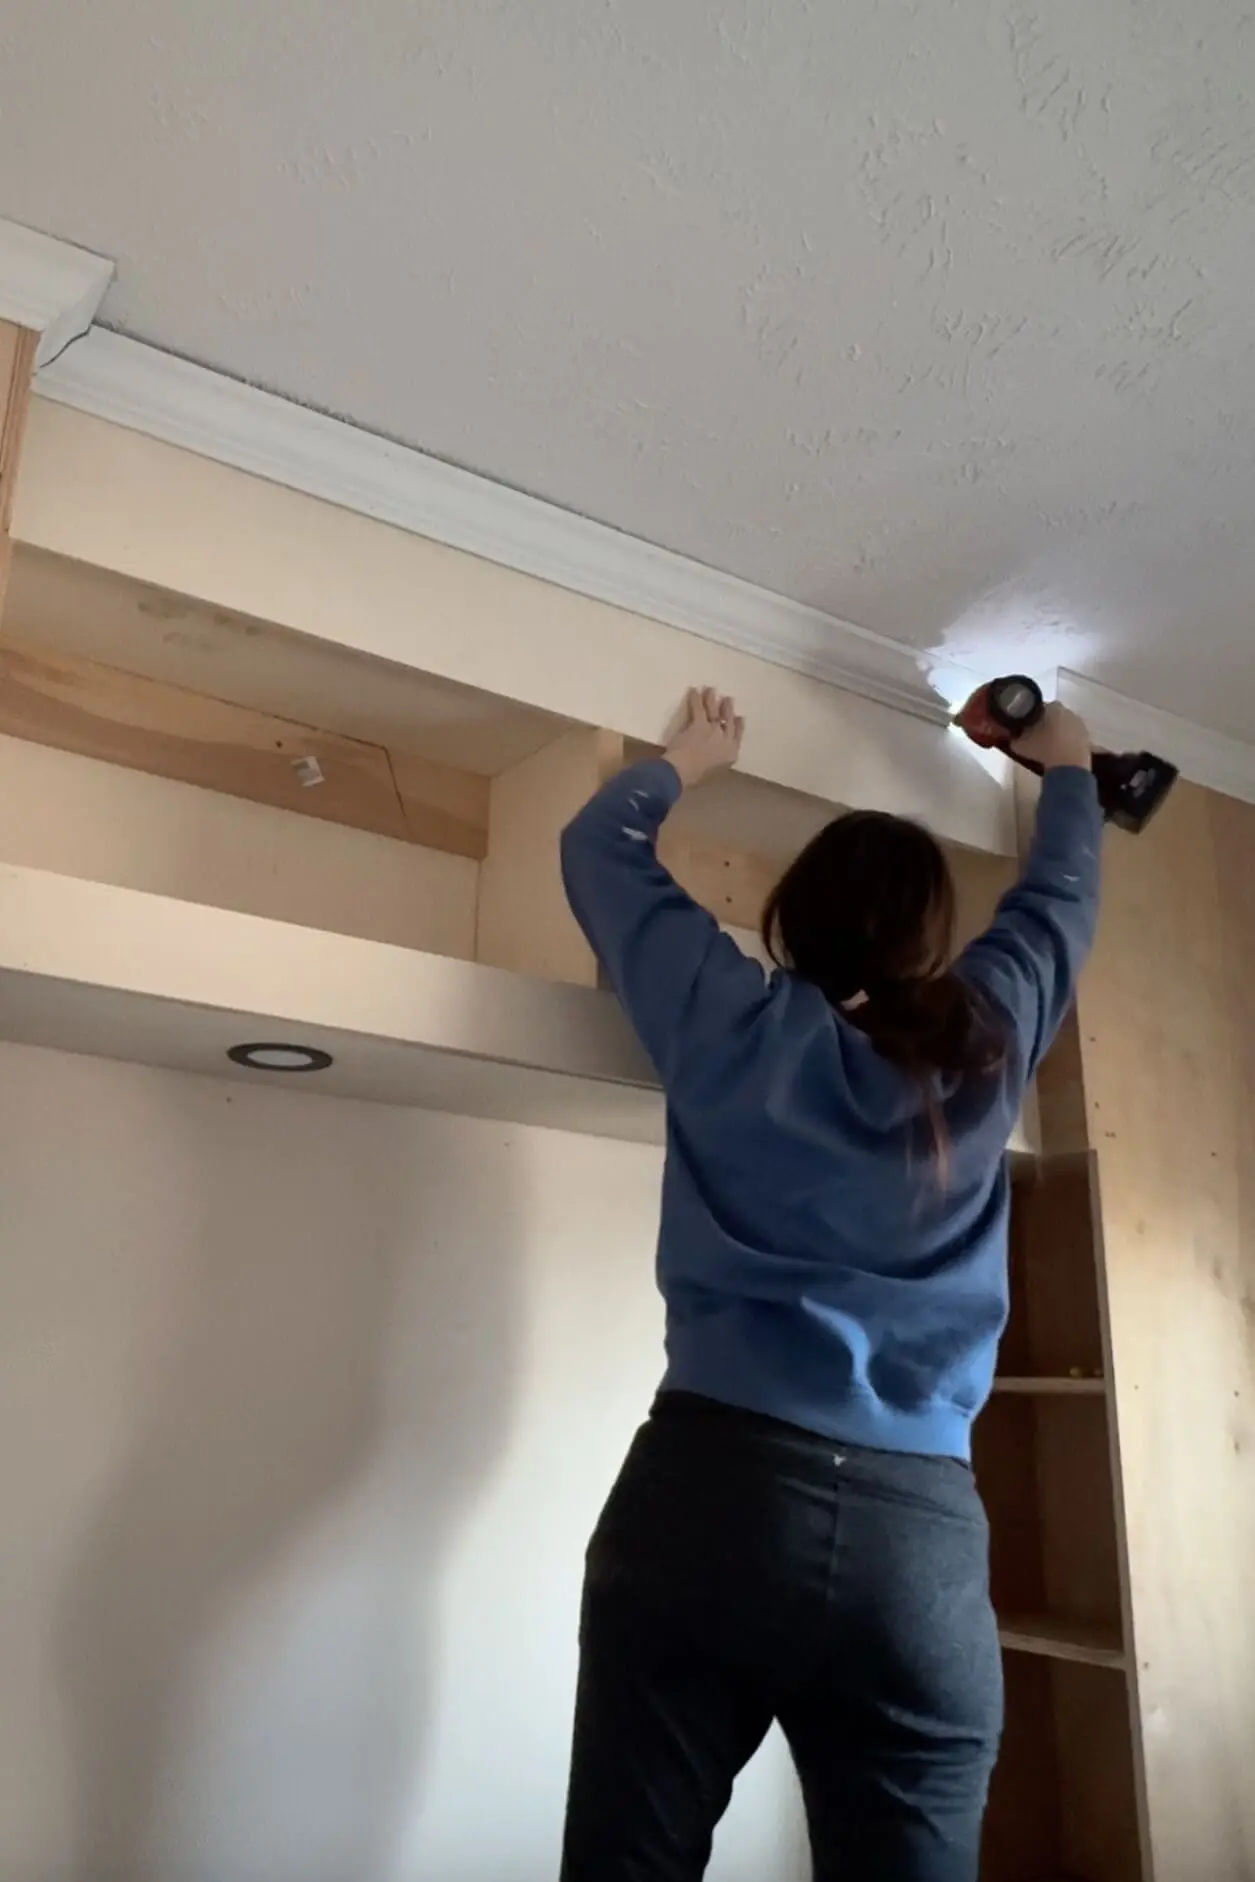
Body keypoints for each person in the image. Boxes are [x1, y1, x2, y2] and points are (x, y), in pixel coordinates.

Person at [557, 685, 1101, 1882]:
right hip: (917, 1541)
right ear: (931, 948)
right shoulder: (985, 1045)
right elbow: (1056, 906)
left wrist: (680, 764)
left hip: (711, 1496)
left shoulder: (732, 1018)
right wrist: (1064, 771)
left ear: (788, 923)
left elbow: (598, 848)